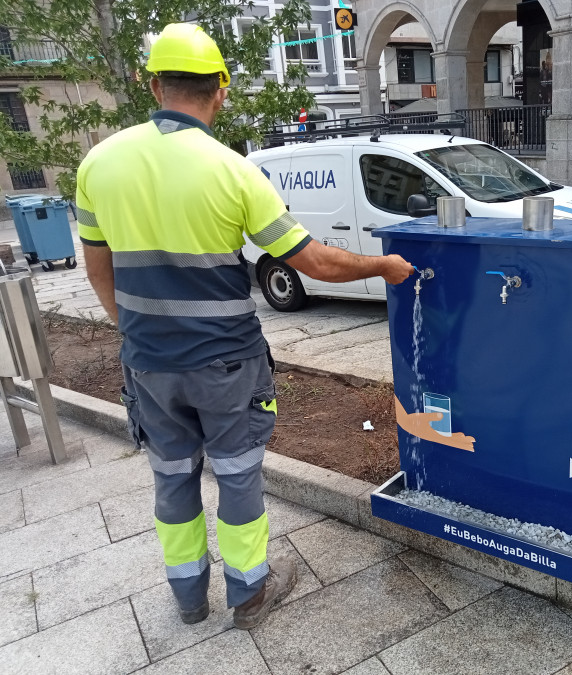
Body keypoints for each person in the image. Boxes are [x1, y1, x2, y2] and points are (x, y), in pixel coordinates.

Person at [77, 23, 413, 630]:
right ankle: (250, 593)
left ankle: (187, 598)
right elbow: (314, 262)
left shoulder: (98, 164)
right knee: (236, 477)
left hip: (149, 364)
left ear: (154, 84)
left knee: (172, 478)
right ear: (222, 91)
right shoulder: (234, 171)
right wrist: (384, 266)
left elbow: (96, 264)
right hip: (226, 364)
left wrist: (131, 332)